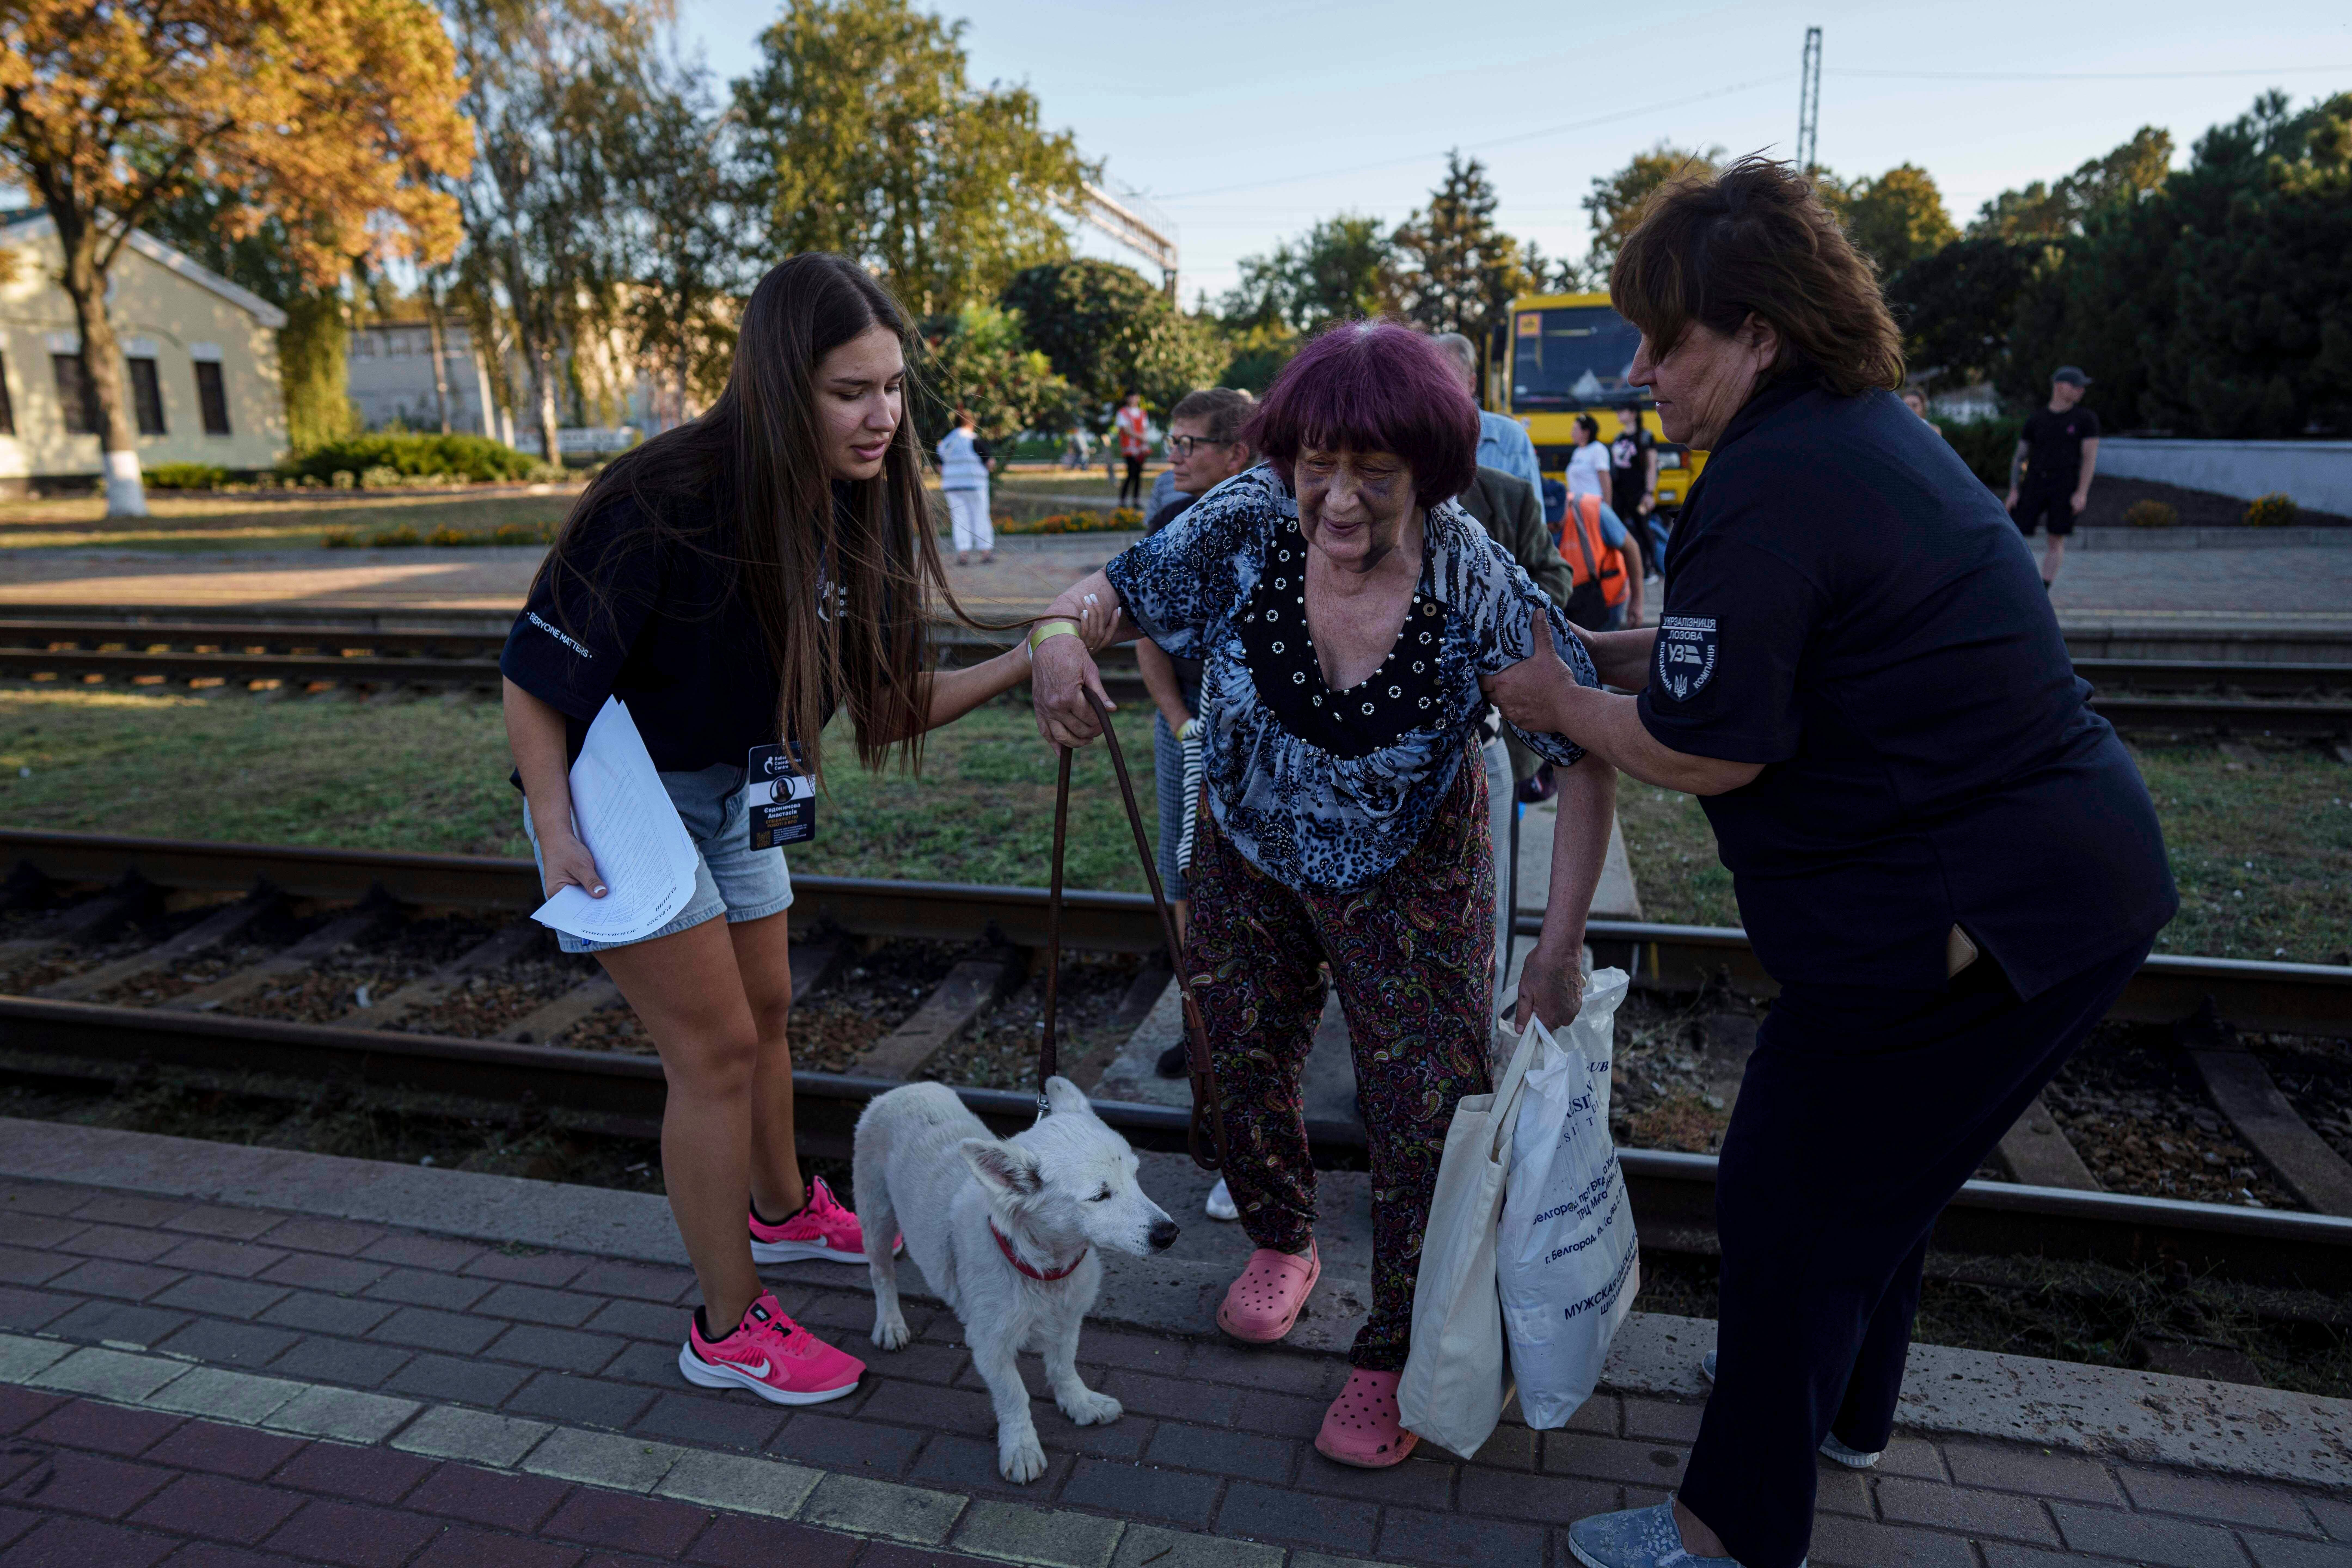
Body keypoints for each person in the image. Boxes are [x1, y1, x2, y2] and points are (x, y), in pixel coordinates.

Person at [1480, 159, 2176, 1568]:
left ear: (1759, 337)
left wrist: (1559, 705)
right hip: (2064, 885)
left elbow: (1712, 746)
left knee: (1787, 1195)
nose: (1641, 370)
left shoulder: (1773, 479)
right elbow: (1738, 664)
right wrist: (1605, 659)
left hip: (1966, 909)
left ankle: (1725, 1531)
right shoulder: (1853, 437)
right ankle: (1848, 1415)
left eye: (1667, 340)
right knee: (1882, 1186)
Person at [501, 253, 1113, 1412]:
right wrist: (550, 819)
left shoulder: (859, 503)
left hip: (740, 781)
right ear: (784, 385)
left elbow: (884, 707)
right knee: (716, 1052)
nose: (881, 415)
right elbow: (534, 677)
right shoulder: (663, 497)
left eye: (891, 387)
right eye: (849, 392)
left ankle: (780, 1217)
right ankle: (726, 1330)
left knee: (770, 1009)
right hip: (620, 789)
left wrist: (1033, 649)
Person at [1028, 321, 1616, 1471]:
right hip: (1248, 853)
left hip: (1414, 870)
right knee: (1232, 1058)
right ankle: (1282, 1239)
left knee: (1425, 1115)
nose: (1337, 502)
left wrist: (1556, 949)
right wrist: (1057, 631)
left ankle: (1395, 1346)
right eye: (1315, 470)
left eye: (1375, 476)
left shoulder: (1470, 578)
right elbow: (1103, 591)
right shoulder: (1244, 520)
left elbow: (1587, 754)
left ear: (1431, 476)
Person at [1454, 462, 1575, 997]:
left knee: (1491, 890)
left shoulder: (1508, 495)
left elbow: (1555, 577)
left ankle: (1491, 1007)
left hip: (1493, 733)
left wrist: (1497, 622)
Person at [2007, 366, 2100, 589]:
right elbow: (2020, 457)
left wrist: (2082, 494)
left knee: (2056, 538)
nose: (2081, 390)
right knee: (2015, 535)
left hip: (2065, 486)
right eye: (2076, 385)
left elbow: (2090, 459)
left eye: (2083, 387)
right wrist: (2014, 490)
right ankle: (2016, 583)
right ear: (2060, 386)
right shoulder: (2037, 419)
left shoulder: (2086, 420)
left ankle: (2043, 589)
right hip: (2035, 484)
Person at [1433, 331, 1543, 494]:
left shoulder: (1511, 439)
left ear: (1472, 384)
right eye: (1432, 379)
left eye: (1449, 379)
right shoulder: (1413, 439)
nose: (1440, 388)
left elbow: (1533, 516)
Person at [1608, 399, 1664, 575]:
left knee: (1642, 529)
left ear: (1633, 414)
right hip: (1620, 493)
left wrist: (1649, 493)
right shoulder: (1619, 437)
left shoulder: (1645, 437)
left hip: (1639, 493)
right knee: (1618, 529)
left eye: (1622, 410)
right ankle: (1622, 568)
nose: (1619, 414)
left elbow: (1652, 467)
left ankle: (1650, 569)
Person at [936, 407, 994, 565]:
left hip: (952, 487)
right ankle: (985, 552)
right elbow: (990, 463)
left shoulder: (947, 442)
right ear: (971, 423)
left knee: (959, 518)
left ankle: (963, 554)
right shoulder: (974, 440)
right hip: (974, 486)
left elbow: (939, 466)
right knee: (980, 516)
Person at [1114, 390, 1151, 510]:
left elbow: (1145, 429)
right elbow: (1126, 430)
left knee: (1138, 475)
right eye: (1131, 397)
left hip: (1141, 450)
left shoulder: (1142, 413)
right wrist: (1141, 438)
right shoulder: (1122, 413)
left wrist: (1144, 443)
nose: (1134, 399)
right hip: (1129, 450)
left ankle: (1136, 500)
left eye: (1136, 396)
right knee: (1131, 474)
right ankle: (1123, 500)